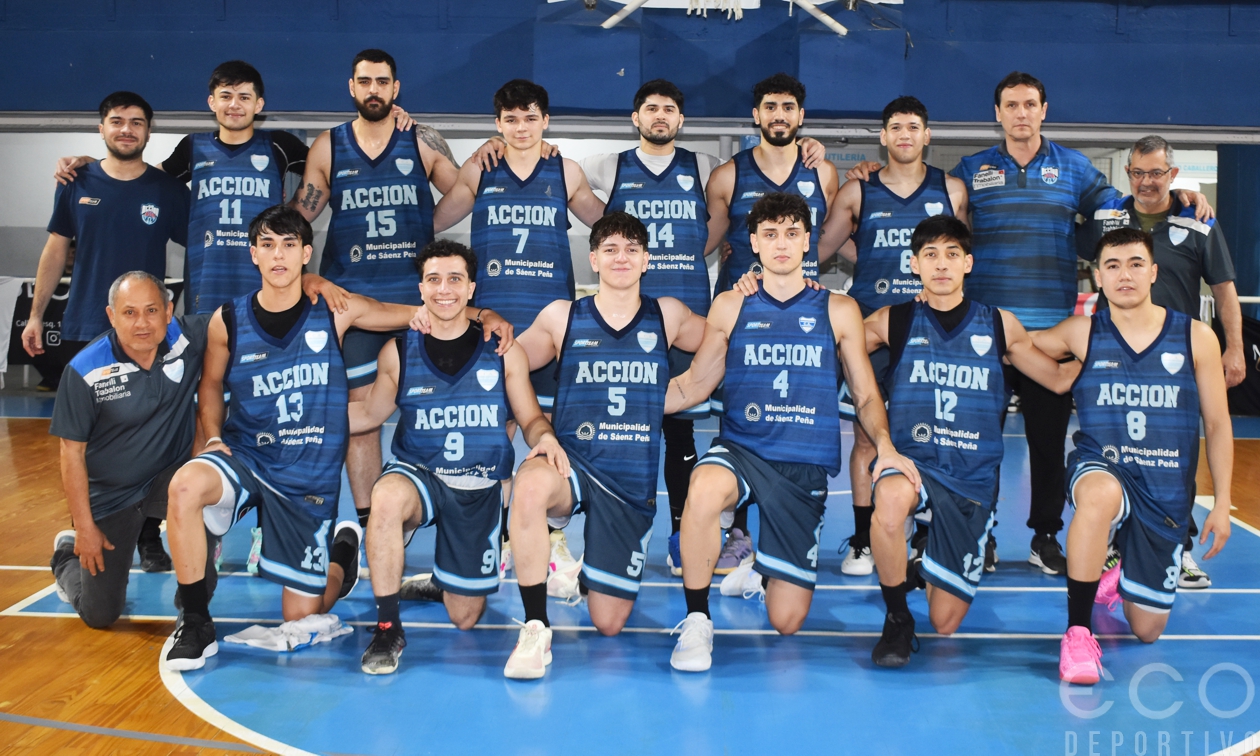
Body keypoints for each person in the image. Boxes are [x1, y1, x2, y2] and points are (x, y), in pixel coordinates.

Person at [847, 72, 1211, 577]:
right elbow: (926, 197)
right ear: (997, 113)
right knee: (972, 441)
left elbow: (1121, 211)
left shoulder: (1076, 169)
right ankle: (980, 532)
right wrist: (873, 168)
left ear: (1044, 110)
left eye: (1030, 104)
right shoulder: (972, 170)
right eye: (1011, 105)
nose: (1021, 113)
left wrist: (1175, 195)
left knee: (1047, 443)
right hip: (982, 335)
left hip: (1049, 335)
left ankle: (1045, 536)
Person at [161, 206, 505, 671]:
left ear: (306, 253)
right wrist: (212, 438)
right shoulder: (228, 320)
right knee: (185, 485)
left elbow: (420, 313)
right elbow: (210, 384)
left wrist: (484, 314)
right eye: (267, 245)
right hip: (246, 454)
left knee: (302, 614)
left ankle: (341, 554)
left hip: (305, 478)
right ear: (253, 254)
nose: (278, 255)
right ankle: (195, 622)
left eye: (289, 246)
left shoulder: (335, 309)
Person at [665, 193, 919, 673]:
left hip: (802, 466)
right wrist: (630, 400)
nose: (781, 243)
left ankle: (760, 570)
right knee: (704, 488)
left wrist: (884, 446)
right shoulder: (730, 304)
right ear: (754, 243)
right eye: (770, 234)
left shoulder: (839, 309)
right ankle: (697, 619)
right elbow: (694, 384)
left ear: (807, 241)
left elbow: (865, 394)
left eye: (791, 233)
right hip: (743, 449)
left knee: (787, 621)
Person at [863, 216, 1079, 667]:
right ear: (914, 265)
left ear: (968, 263)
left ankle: (926, 563)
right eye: (930, 255)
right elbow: (833, 338)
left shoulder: (1000, 324)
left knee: (945, 623)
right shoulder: (893, 320)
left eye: (951, 254)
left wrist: (1109, 345)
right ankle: (897, 617)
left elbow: (1058, 379)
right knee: (889, 502)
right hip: (913, 464)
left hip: (972, 481)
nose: (941, 264)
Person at [500, 212, 705, 679]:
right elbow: (506, 360)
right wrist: (537, 426)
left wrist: (684, 391)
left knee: (608, 624)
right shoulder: (561, 316)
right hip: (570, 462)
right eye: (610, 249)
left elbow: (726, 337)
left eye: (632, 249)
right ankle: (535, 627)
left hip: (628, 482)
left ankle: (591, 571)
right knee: (528, 487)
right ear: (593, 259)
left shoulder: (668, 314)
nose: (621, 257)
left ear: (647, 260)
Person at [349, 240, 564, 675]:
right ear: (421, 289)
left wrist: (545, 438)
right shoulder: (397, 351)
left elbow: (529, 417)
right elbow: (369, 414)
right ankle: (388, 627)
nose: (443, 289)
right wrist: (306, 417)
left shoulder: (504, 350)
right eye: (433, 280)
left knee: (464, 616)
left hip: (478, 486)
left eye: (454, 279)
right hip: (420, 473)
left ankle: (442, 580)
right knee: (385, 498)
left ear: (471, 289)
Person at [1031, 228, 1232, 684]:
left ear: (1154, 272)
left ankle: (1117, 570)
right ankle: (1078, 632)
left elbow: (1219, 425)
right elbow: (1015, 346)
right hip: (1103, 465)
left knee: (1147, 629)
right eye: (1113, 266)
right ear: (1098, 277)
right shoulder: (1081, 333)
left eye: (1136, 264)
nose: (1125, 274)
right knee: (1099, 495)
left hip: (1164, 490)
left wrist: (1221, 503)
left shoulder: (1196, 337)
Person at [432, 78, 604, 585]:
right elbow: (433, 221)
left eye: (530, 118)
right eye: (511, 119)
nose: (522, 128)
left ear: (545, 121)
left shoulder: (565, 170)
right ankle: (491, 537)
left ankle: (548, 537)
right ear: (497, 123)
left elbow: (607, 223)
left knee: (546, 430)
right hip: (493, 326)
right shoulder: (480, 169)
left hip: (549, 329)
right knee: (493, 432)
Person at [293, 48, 462, 528]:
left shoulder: (422, 140)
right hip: (353, 303)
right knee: (360, 416)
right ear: (352, 87)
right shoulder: (328, 145)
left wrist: (427, 225)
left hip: (419, 302)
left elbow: (465, 191)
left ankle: (433, 512)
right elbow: (301, 216)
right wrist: (301, 269)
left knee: (435, 411)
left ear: (395, 88)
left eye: (382, 82)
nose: (373, 90)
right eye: (365, 81)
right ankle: (372, 524)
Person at [1078, 135, 1243, 589]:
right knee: (1113, 451)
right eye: (1138, 172)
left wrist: (1233, 347)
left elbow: (1224, 289)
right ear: (1128, 173)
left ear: (1173, 174)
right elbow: (1060, 234)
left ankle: (1178, 547)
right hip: (1114, 360)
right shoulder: (1107, 217)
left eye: (1156, 173)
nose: (1146, 182)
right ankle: (1115, 544)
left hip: (1176, 362)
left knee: (1176, 456)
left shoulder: (1198, 222)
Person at [816, 95, 969, 577]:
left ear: (927, 135)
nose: (905, 135)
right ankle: (863, 540)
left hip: (932, 330)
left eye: (914, 127)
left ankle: (924, 532)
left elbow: (964, 261)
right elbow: (816, 251)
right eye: (896, 127)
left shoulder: (952, 189)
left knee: (932, 435)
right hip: (871, 329)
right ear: (883, 137)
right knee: (867, 437)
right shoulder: (857, 191)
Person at [53, 62, 316, 315]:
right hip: (206, 285)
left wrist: (292, 212)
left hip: (267, 282)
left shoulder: (279, 144)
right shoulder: (193, 146)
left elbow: (323, 168)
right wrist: (94, 165)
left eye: (244, 97)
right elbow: (141, 177)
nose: (234, 105)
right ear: (212, 102)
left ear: (258, 104)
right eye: (225, 96)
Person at [48, 271, 218, 627]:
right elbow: (71, 454)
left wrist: (309, 282)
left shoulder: (187, 338)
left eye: (152, 310)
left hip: (169, 479)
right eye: (129, 312)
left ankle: (192, 609)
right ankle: (65, 557)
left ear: (168, 311)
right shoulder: (84, 371)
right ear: (111, 316)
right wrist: (85, 527)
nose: (142, 323)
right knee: (100, 614)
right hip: (112, 496)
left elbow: (248, 314)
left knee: (204, 492)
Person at [24, 91, 189, 356]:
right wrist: (35, 316)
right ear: (101, 129)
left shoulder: (171, 191)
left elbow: (201, 248)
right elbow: (55, 251)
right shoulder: (74, 182)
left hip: (145, 329)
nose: (126, 130)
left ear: (148, 132)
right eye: (117, 122)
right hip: (85, 325)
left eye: (136, 123)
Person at [706, 73, 838, 294]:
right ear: (756, 115)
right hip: (741, 301)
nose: (779, 115)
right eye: (770, 107)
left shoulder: (824, 173)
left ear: (800, 116)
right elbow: (706, 242)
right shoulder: (727, 176)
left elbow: (826, 239)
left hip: (803, 302)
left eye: (788, 107)